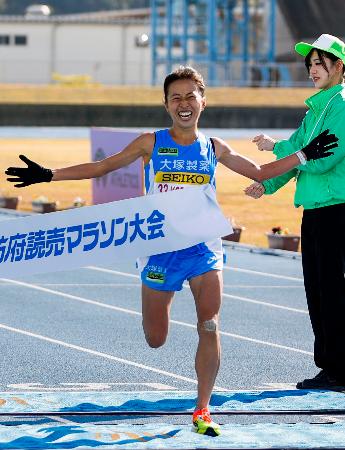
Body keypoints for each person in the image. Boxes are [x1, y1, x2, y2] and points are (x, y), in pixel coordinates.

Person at [6, 66, 338, 435]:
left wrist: (304, 156)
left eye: (190, 96)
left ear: (202, 102)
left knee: (210, 325)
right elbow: (103, 167)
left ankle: (202, 409)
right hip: (161, 252)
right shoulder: (151, 142)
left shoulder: (214, 147)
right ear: (166, 105)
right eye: (175, 97)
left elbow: (260, 172)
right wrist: (49, 174)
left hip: (203, 249)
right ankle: (161, 324)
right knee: (155, 338)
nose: (183, 103)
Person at [245, 34, 345, 390]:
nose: (314, 70)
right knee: (317, 290)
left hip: (338, 211)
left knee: (335, 291)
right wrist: (267, 184)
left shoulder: (341, 106)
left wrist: (286, 151)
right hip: (315, 211)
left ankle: (341, 368)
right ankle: (330, 367)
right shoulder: (315, 109)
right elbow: (299, 158)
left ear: (339, 67)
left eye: (321, 63)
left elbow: (320, 157)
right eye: (311, 64)